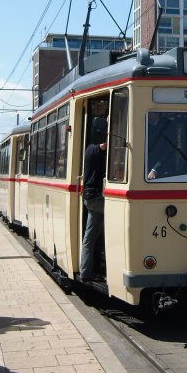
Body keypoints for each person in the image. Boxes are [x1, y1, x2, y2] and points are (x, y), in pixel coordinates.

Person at [79, 117, 107, 282]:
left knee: (91, 236)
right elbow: (106, 146)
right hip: (95, 198)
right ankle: (88, 271)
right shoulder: (92, 149)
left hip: (92, 197)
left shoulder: (89, 149)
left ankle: (88, 270)